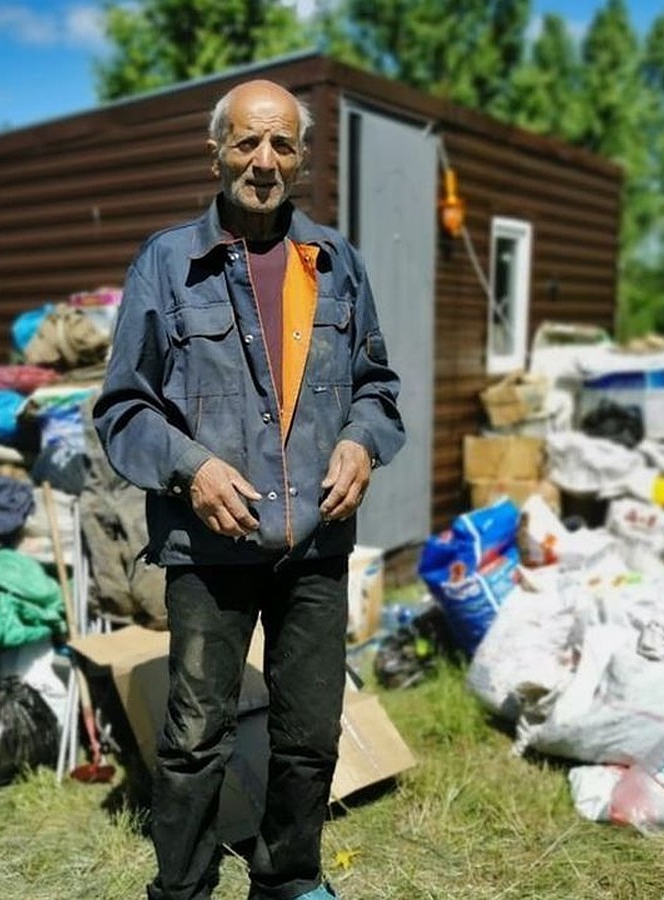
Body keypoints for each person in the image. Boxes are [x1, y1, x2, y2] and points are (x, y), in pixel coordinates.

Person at [92, 78, 405, 900]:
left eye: (282, 144)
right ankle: (184, 889)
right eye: (247, 142)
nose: (263, 162)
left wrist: (362, 443)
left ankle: (287, 879)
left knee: (308, 733)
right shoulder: (168, 263)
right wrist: (191, 468)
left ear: (301, 158)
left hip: (316, 543)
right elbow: (123, 405)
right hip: (211, 544)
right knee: (197, 735)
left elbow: (377, 387)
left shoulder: (336, 263)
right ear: (217, 150)